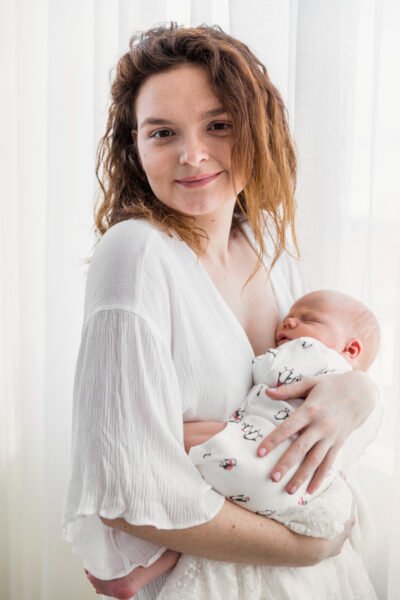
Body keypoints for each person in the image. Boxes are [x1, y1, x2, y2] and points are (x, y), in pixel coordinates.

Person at [62, 23, 382, 600]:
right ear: (135, 148)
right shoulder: (135, 256)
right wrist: (313, 545)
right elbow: (127, 491)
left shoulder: (268, 247)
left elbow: (315, 396)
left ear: (257, 129)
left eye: (218, 125)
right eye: (163, 133)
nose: (192, 155)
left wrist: (358, 396)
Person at [84, 289, 380, 599]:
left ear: (351, 348)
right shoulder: (346, 388)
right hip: (292, 484)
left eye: (309, 319)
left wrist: (261, 357)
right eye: (290, 316)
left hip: (265, 455)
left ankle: (136, 573)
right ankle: (139, 575)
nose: (289, 321)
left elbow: (269, 371)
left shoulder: (316, 354)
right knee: (209, 517)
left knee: (173, 440)